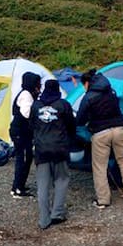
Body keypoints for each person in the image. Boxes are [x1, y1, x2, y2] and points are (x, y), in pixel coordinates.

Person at [76, 69, 123, 208]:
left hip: (100, 133)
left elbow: (80, 119)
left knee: (100, 167)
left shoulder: (88, 96)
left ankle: (103, 200)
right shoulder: (111, 91)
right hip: (120, 129)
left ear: (87, 82)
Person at [30, 79, 76, 229]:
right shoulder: (63, 105)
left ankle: (44, 219)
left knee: (42, 184)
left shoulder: (36, 106)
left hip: (42, 149)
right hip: (60, 148)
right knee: (61, 180)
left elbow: (31, 125)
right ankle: (57, 213)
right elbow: (71, 125)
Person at [9, 72, 41, 199]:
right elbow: (27, 113)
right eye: (38, 83)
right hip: (19, 132)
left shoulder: (28, 93)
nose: (39, 86)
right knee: (22, 159)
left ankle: (20, 185)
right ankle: (17, 188)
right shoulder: (26, 95)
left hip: (23, 133)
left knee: (27, 158)